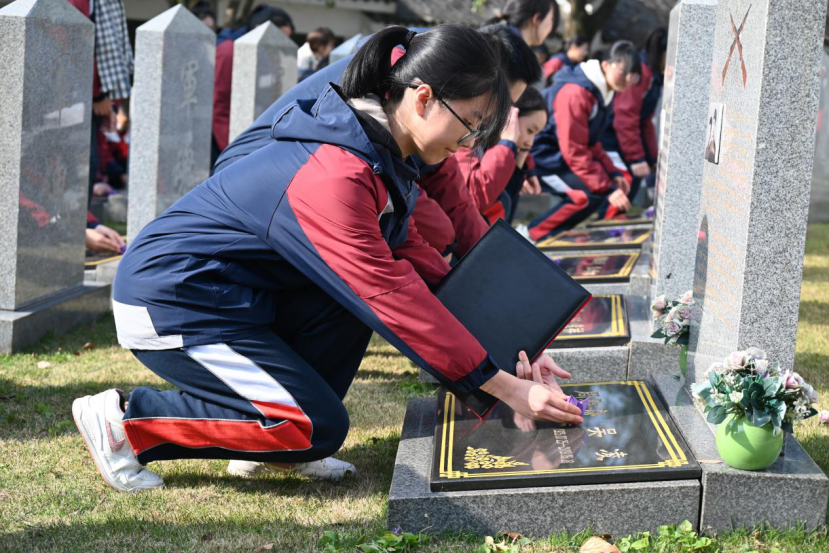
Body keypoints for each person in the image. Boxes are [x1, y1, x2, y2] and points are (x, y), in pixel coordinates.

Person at [72, 25, 583, 493]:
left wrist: (511, 344)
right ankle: (125, 421)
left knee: (345, 319)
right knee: (316, 425)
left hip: (242, 297)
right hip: (178, 301)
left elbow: (418, 268)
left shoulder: (381, 151)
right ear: (424, 98)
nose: (468, 143)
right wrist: (502, 386)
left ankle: (277, 441)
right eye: (468, 125)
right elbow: (392, 297)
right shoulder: (336, 172)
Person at [527, 40, 642, 241]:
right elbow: (573, 149)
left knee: (596, 190)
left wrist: (612, 173)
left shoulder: (601, 93)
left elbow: (591, 143)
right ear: (606, 64)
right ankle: (533, 235)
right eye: (623, 71)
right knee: (586, 195)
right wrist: (608, 187)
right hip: (540, 156)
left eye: (633, 76)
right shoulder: (577, 93)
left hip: (559, 155)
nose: (628, 79)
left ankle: (549, 236)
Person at [212, 6, 295, 164]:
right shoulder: (229, 52)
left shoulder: (272, 58)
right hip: (227, 145)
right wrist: (234, 152)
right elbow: (219, 106)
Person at [601, 29, 667, 195]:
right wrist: (636, 158)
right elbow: (625, 116)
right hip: (614, 141)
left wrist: (652, 159)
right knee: (623, 190)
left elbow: (645, 121)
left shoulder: (653, 75)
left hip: (624, 143)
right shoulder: (641, 72)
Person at [482, 86, 549, 224]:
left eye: (535, 135)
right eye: (530, 131)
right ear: (512, 115)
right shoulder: (477, 147)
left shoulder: (514, 150)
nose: (530, 143)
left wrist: (523, 155)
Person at [486, 0, 559, 47]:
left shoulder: (491, 39)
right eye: (552, 19)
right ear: (537, 19)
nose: (551, 27)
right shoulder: (511, 58)